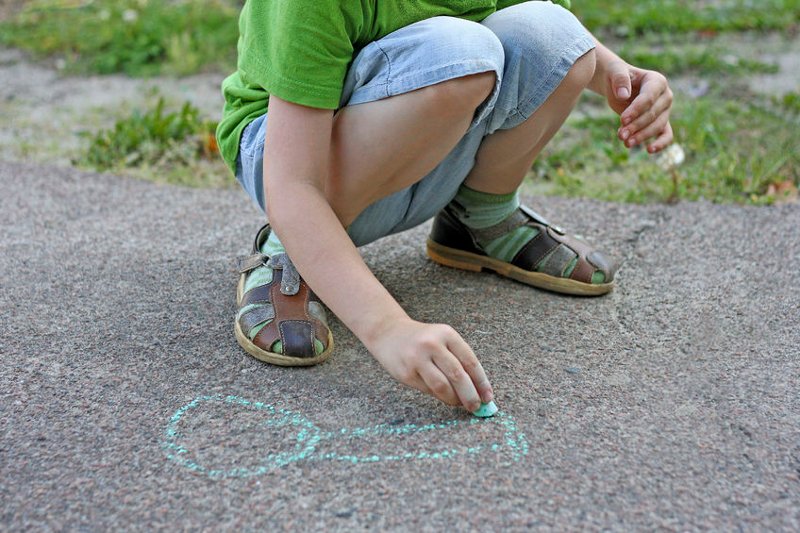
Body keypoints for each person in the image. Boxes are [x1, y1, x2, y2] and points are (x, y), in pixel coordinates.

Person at [215, 0, 674, 414]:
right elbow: (293, 184)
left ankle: (481, 219)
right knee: (461, 55)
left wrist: (619, 73)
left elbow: (554, 39)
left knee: (557, 34)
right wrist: (387, 328)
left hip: (422, 140)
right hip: (289, 163)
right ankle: (289, 252)